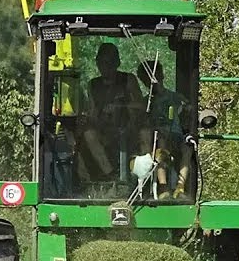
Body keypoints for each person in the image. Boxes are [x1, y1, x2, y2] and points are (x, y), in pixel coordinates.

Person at [78, 42, 145, 180]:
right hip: (104, 130)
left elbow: (141, 106)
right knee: (88, 134)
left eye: (108, 62)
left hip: (128, 129)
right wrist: (86, 119)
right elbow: (93, 112)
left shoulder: (128, 80)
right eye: (101, 62)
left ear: (117, 63)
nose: (104, 66)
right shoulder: (93, 85)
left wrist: (120, 106)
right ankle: (110, 175)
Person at [137, 60, 191, 198]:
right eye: (148, 80)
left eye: (156, 76)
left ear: (162, 75)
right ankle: (163, 187)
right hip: (157, 140)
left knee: (187, 148)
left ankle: (180, 187)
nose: (154, 82)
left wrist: (187, 108)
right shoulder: (146, 103)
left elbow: (189, 108)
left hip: (176, 137)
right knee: (160, 143)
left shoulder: (175, 97)